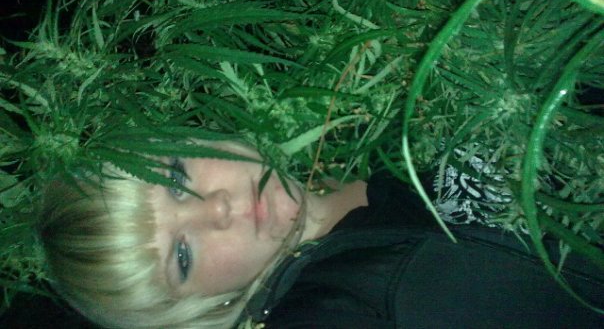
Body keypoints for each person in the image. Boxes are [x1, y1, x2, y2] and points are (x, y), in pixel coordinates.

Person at [37, 140, 604, 328]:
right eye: (182, 255)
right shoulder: (328, 307)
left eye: (178, 179)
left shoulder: (363, 131)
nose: (218, 210)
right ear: (203, 308)